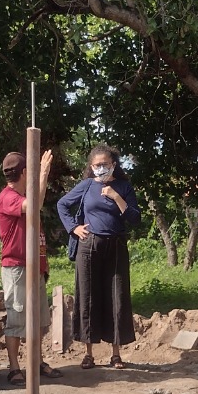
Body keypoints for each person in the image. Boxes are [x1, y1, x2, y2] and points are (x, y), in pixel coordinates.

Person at [56, 145, 141, 370]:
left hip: (116, 247)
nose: (101, 168)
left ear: (113, 164)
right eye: (96, 165)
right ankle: (88, 353)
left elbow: (135, 218)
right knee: (87, 297)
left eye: (105, 164)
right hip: (89, 246)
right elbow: (62, 204)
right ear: (91, 167)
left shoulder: (123, 186)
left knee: (117, 297)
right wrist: (74, 228)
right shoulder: (85, 186)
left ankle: (116, 354)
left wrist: (116, 197)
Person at [0, 149, 62, 385]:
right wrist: (43, 172)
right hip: (17, 267)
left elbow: (36, 202)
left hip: (34, 266)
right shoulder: (8, 197)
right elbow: (34, 205)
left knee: (38, 319)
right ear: (25, 172)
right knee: (17, 317)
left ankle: (37, 361)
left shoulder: (20, 195)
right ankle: (14, 368)